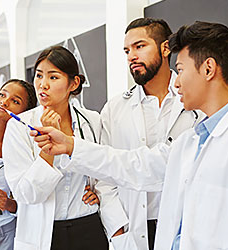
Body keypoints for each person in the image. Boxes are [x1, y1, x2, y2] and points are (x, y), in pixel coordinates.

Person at [31, 21, 228, 249]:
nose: (178, 81)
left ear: (208, 69)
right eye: (127, 50)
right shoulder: (191, 141)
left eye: (181, 70)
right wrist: (71, 146)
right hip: (139, 230)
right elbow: (134, 165)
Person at [100, 17, 203, 250]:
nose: (131, 57)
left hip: (185, 224)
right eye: (127, 50)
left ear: (165, 48)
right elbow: (105, 177)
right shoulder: (114, 109)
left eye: (140, 46)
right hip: (132, 227)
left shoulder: (196, 98)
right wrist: (118, 225)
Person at [2, 45, 110, 250]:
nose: (43, 85)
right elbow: (26, 194)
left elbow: (103, 168)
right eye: (39, 76)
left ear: (74, 83)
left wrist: (99, 193)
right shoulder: (19, 126)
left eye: (53, 77)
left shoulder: (92, 120)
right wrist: (47, 150)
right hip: (43, 233)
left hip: (88, 226)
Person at [0, 79, 37, 250]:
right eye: (2, 94)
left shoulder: (28, 149)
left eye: (15, 101)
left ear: (25, 112)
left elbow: (33, 199)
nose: (4, 102)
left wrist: (9, 204)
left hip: (4, 231)